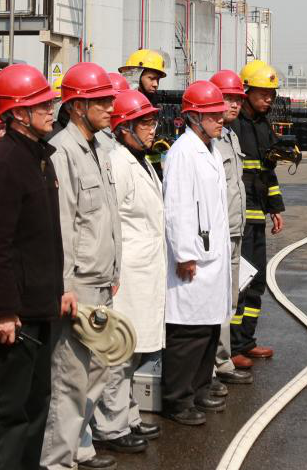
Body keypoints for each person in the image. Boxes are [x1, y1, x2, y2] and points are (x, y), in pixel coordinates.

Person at [0, 64, 65, 470]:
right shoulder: (4, 163)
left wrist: (58, 292)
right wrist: (4, 310)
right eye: (41, 105)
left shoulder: (39, 157)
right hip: (16, 317)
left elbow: (45, 239)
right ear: (18, 113)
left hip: (39, 308)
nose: (50, 110)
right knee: (6, 412)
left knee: (35, 405)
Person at [42, 62, 121, 470]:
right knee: (70, 376)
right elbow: (63, 225)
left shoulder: (100, 147)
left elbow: (108, 214)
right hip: (80, 283)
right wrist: (65, 285)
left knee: (98, 369)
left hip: (102, 279)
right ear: (77, 106)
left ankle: (79, 447)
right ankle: (57, 461)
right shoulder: (62, 152)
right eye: (101, 101)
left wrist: (116, 270)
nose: (110, 107)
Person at [89, 89, 167, 453]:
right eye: (144, 123)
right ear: (124, 128)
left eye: (152, 122)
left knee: (135, 352)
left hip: (146, 269)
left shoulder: (142, 160)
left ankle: (129, 415)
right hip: (128, 273)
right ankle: (111, 427)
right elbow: (108, 221)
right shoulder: (117, 163)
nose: (152, 129)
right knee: (119, 353)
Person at [161, 81, 233, 426]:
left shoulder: (210, 149)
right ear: (193, 117)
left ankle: (201, 387)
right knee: (187, 333)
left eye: (220, 114)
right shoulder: (183, 152)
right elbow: (177, 208)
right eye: (213, 115)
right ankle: (177, 399)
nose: (220, 119)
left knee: (208, 329)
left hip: (213, 257)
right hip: (193, 259)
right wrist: (185, 254)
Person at [227, 59, 285, 363]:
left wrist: (276, 208)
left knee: (258, 280)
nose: (268, 100)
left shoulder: (263, 125)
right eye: (263, 94)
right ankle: (232, 347)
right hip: (240, 216)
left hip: (258, 214)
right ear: (246, 92)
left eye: (271, 95)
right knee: (242, 280)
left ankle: (247, 340)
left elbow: (267, 171)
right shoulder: (233, 126)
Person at [208, 69, 254, 385]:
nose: (235, 104)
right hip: (218, 234)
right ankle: (212, 366)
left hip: (236, 229)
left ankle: (222, 361)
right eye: (228, 98)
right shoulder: (207, 142)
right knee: (214, 300)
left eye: (238, 99)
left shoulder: (231, 137)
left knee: (229, 300)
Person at [120, 50, 168, 175]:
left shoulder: (153, 102)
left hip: (151, 169)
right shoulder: (124, 106)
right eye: (151, 78)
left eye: (158, 79)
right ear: (136, 76)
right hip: (130, 168)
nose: (155, 84)